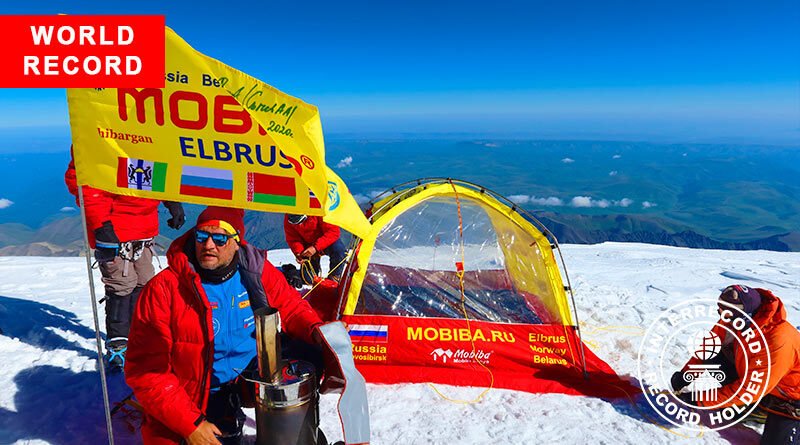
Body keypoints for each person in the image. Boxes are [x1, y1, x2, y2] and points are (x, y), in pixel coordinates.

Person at [125, 207, 325, 445]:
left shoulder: (254, 270)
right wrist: (190, 425)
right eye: (201, 236)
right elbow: (146, 371)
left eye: (220, 238)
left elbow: (292, 307)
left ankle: (294, 432)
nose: (209, 245)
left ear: (236, 242)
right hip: (198, 389)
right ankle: (222, 414)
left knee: (311, 353)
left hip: (250, 375)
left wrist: (318, 333)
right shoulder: (164, 289)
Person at [64, 152, 185, 369]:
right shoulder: (100, 136)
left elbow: (158, 171)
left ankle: (139, 335)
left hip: (144, 230)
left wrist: (171, 200)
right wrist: (102, 226)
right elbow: (87, 184)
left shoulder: (147, 134)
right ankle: (119, 343)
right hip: (114, 231)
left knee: (145, 283)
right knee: (121, 286)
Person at [672, 285, 800, 444]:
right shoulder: (733, 318)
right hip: (761, 381)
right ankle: (756, 408)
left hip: (791, 398)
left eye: (729, 315)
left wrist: (700, 400)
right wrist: (686, 374)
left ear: (748, 315)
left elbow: (752, 388)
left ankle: (765, 410)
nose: (724, 319)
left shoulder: (778, 339)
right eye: (721, 312)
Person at [283, 214, 347, 283]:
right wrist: (299, 252)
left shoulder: (320, 211)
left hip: (325, 242)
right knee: (309, 280)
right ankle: (292, 272)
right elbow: (293, 239)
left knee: (339, 250)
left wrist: (315, 247)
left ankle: (334, 276)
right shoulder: (288, 218)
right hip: (307, 247)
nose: (300, 224)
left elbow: (333, 232)